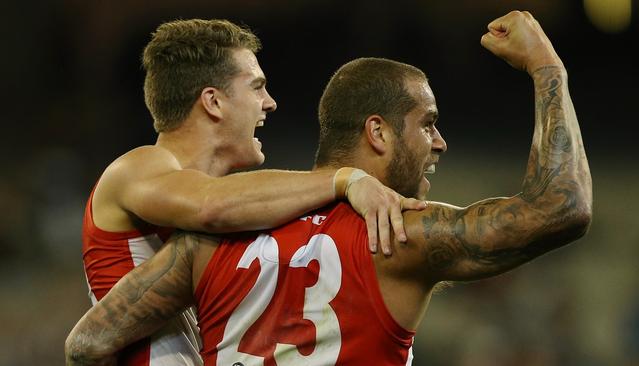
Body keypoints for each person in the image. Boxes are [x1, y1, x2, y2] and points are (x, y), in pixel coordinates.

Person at [66, 11, 592, 365]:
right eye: (427, 123)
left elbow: (89, 341)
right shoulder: (398, 233)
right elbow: (561, 206)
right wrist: (549, 67)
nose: (440, 142)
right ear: (378, 132)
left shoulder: (206, 245)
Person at [80, 18, 424, 366]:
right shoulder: (137, 167)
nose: (270, 102)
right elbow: (211, 205)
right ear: (213, 102)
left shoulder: (224, 216)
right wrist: (346, 178)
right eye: (257, 87)